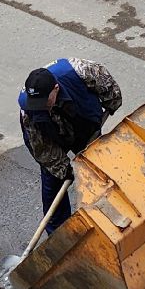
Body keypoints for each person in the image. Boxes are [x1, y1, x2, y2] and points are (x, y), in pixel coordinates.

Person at [19, 58, 123, 233]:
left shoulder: (77, 71)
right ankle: (59, 233)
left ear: (55, 89)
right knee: (53, 180)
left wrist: (112, 102)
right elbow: (43, 149)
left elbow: (106, 84)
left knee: (99, 168)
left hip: (84, 123)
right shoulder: (29, 110)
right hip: (52, 136)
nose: (40, 107)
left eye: (45, 102)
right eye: (36, 103)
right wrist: (63, 169)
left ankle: (109, 216)